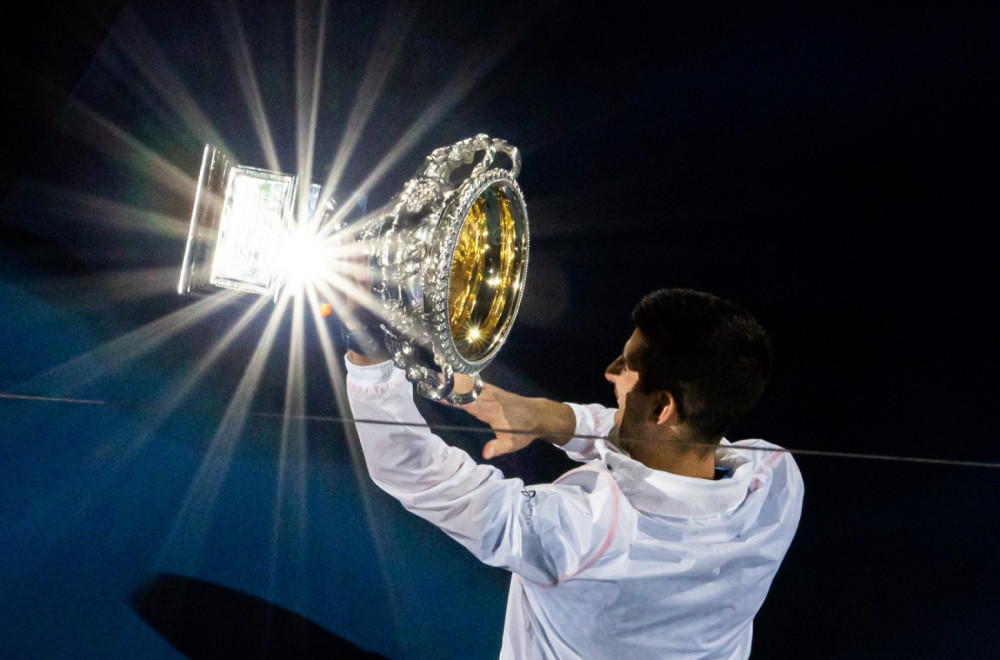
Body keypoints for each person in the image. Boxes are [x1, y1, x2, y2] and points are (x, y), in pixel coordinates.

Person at [344, 288, 803, 659]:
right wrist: (545, 417)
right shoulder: (777, 486)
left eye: (627, 366)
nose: (611, 372)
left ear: (663, 406)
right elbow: (673, 443)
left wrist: (367, 354)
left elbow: (415, 472)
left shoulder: (585, 531)